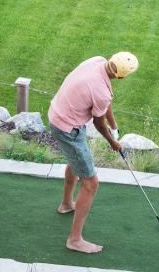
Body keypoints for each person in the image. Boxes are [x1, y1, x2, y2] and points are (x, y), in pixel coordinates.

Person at [48, 51, 139, 253]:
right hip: (68, 127)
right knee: (90, 183)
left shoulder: (97, 61)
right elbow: (98, 122)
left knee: (75, 162)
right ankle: (74, 239)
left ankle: (65, 204)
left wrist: (114, 126)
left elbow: (105, 102)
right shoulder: (101, 92)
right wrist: (112, 142)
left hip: (58, 114)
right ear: (123, 76)